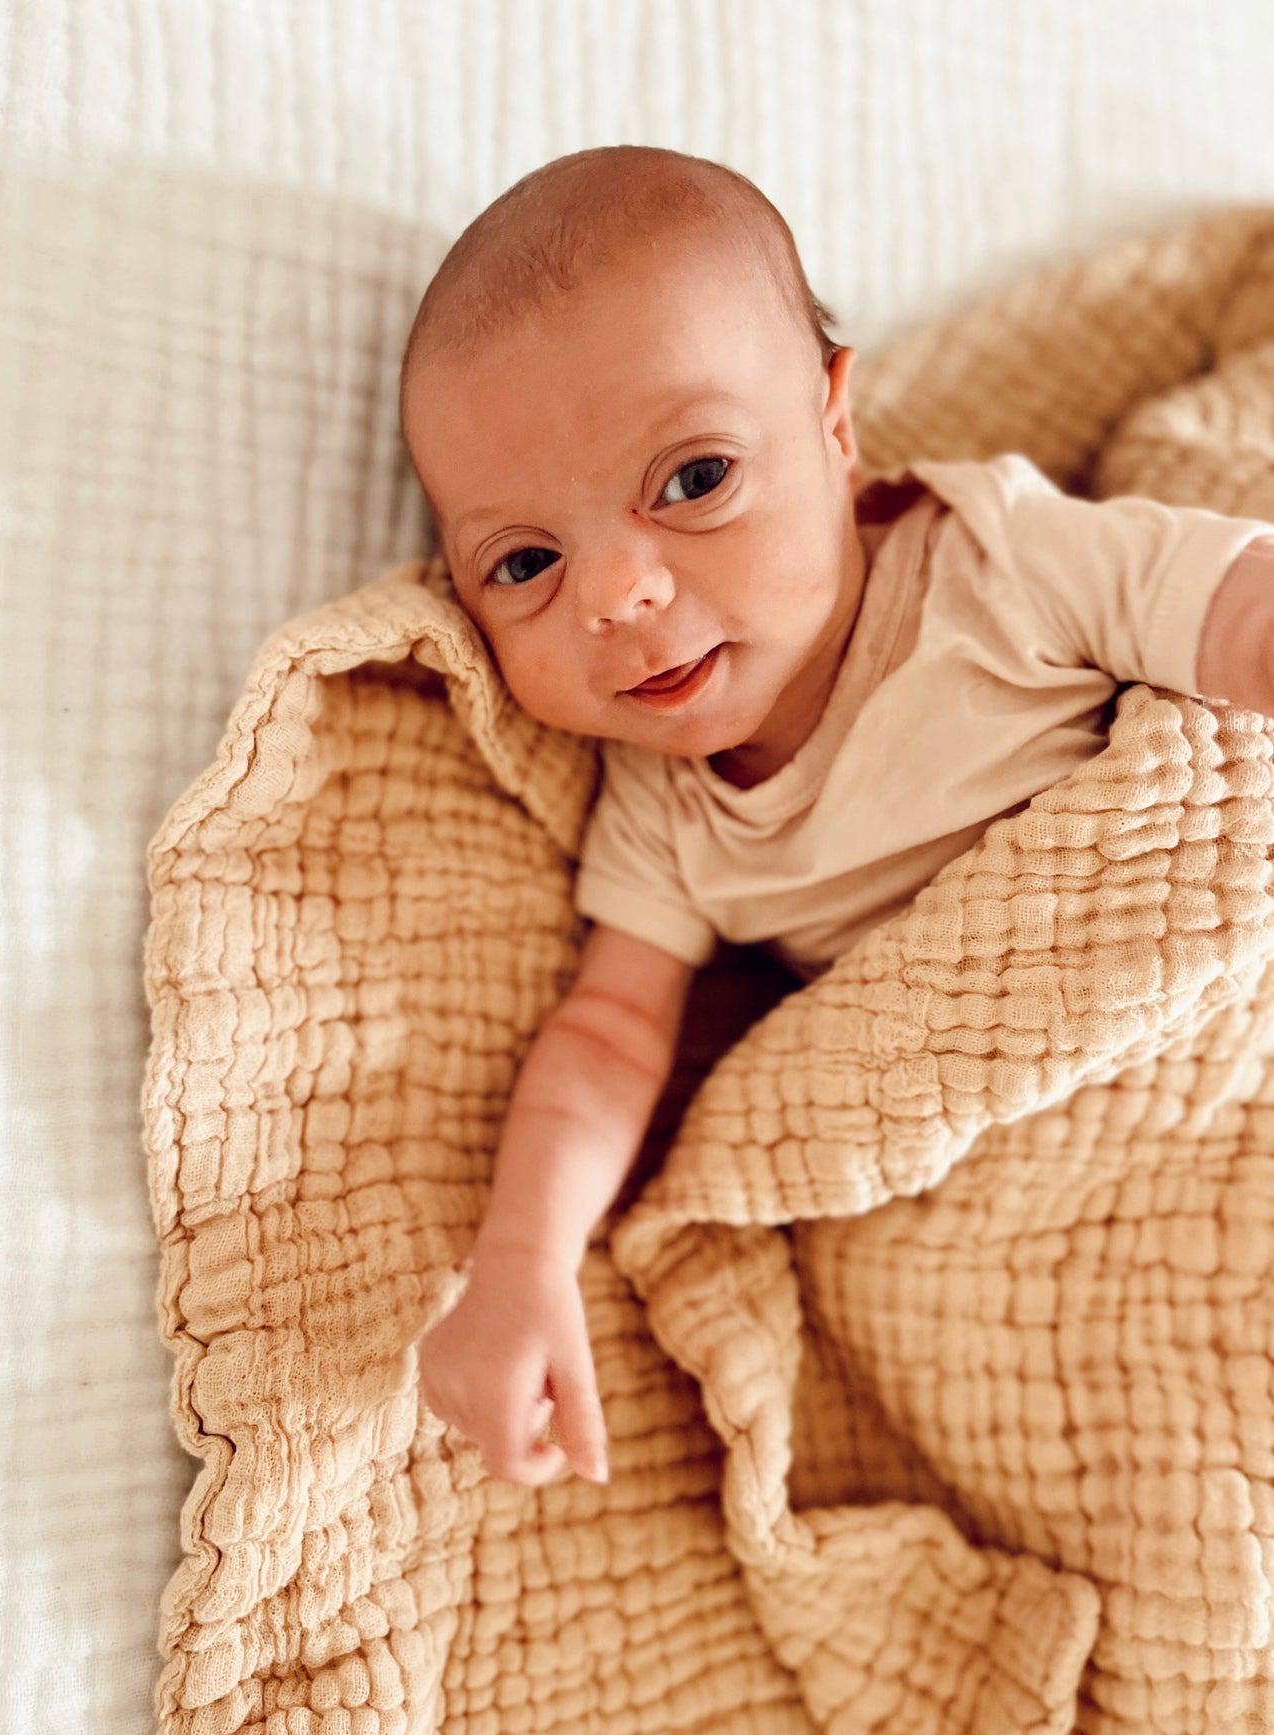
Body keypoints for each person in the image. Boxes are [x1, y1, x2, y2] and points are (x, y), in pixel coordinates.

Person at [398, 144, 1274, 1489]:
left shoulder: (1000, 566)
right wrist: (520, 1262)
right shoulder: (662, 811)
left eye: (691, 482)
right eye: (525, 563)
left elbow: (1231, 610)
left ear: (833, 421)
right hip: (1006, 1209)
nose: (618, 593)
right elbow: (607, 1034)